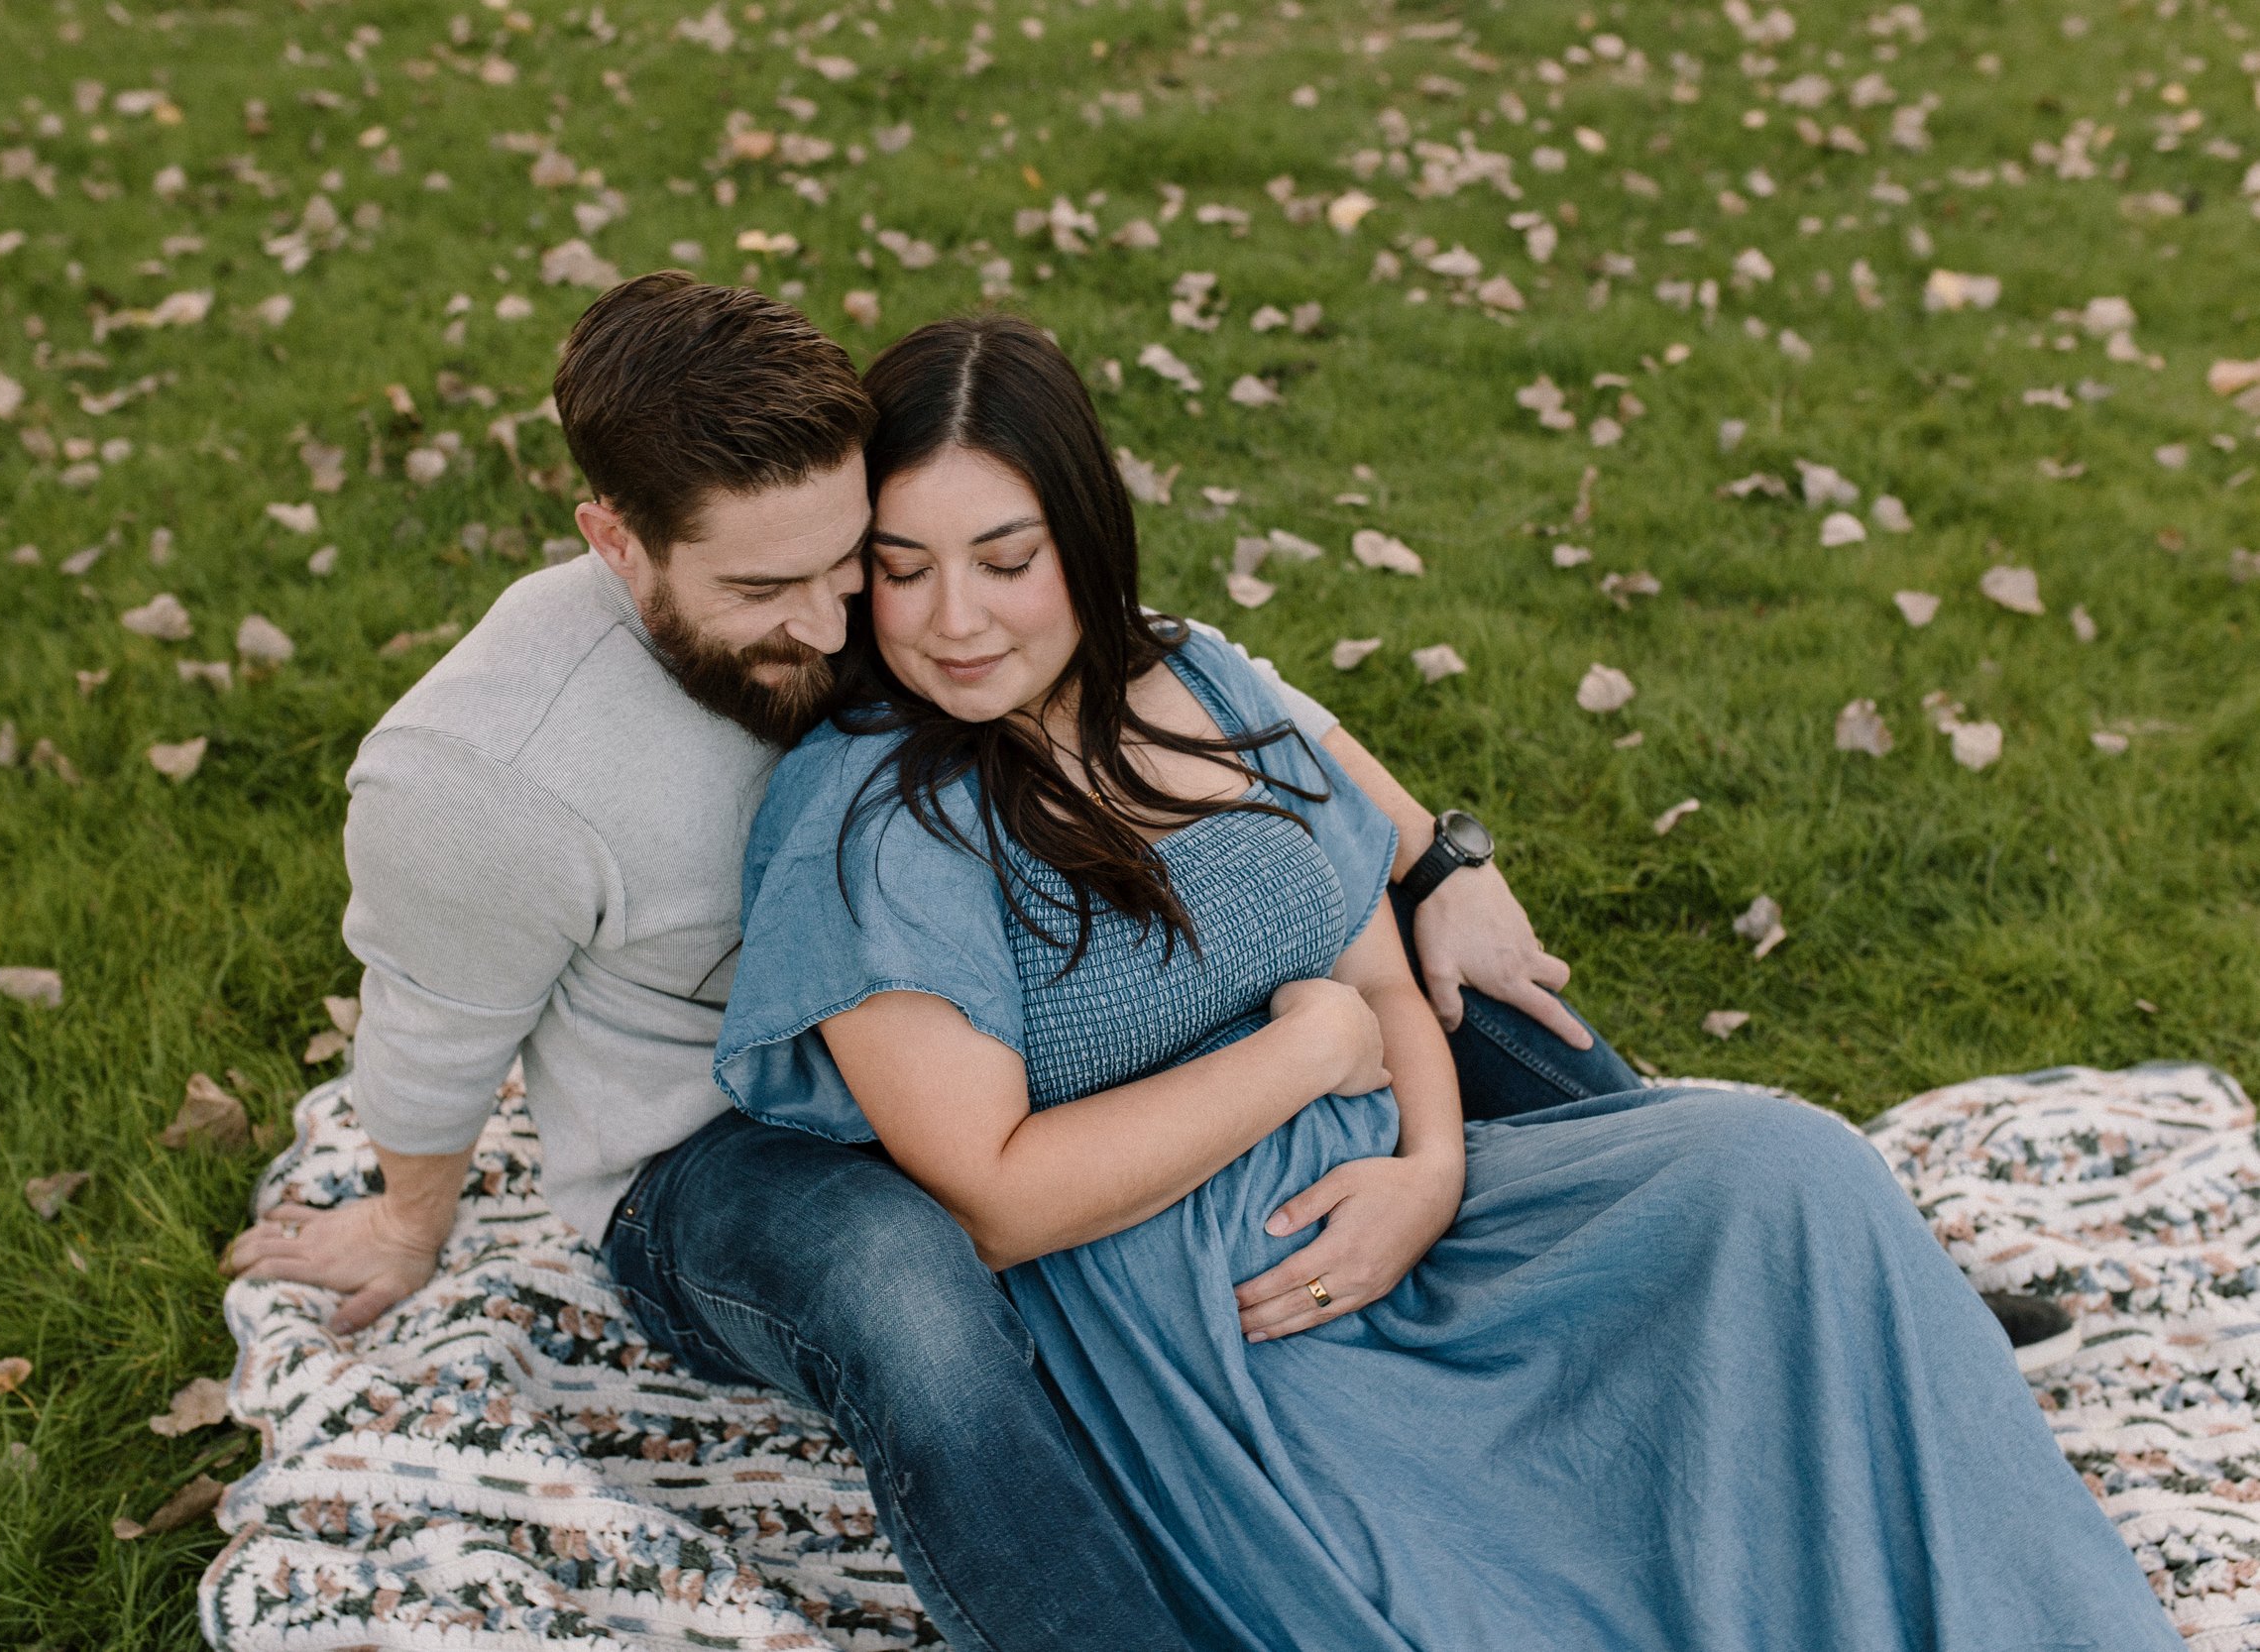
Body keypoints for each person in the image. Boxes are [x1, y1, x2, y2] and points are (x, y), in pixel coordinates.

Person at [223, 274, 1651, 1650]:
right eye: (772, 587)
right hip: (731, 1145)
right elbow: (435, 1018)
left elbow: (1234, 701)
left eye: (859, 564)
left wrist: (1440, 863)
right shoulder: (486, 768)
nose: (843, 624)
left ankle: (1675, 1387)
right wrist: (408, 1222)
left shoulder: (901, 600)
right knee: (902, 1286)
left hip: (1028, 1023)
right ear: (615, 541)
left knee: (1512, 1027)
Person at [713, 314, 2176, 1649]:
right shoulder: (880, 819)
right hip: (1224, 1314)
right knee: (1494, 1580)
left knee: (1789, 1169)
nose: (954, 619)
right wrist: (1300, 1056)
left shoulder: (1204, 683)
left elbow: (1378, 973)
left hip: (1408, 1212)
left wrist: (1424, 1167)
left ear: (1089, 541)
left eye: (1006, 559)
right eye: (902, 571)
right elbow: (995, 1192)